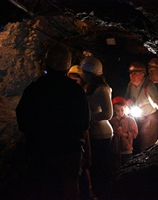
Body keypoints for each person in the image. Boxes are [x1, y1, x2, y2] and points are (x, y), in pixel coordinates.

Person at [16, 43, 89, 200]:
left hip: (41, 150)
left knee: (43, 188)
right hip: (69, 150)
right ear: (67, 64)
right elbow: (85, 122)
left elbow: (22, 118)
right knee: (70, 188)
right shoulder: (75, 90)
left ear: (47, 62)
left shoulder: (34, 89)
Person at [81, 56, 113, 198]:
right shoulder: (90, 87)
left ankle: (104, 193)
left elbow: (108, 113)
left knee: (100, 166)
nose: (83, 75)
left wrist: (91, 118)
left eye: (85, 72)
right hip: (94, 132)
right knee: (95, 166)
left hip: (102, 133)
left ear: (92, 74)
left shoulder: (102, 89)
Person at [125, 61, 158, 154]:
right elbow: (126, 98)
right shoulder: (130, 84)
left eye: (135, 73)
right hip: (138, 116)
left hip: (150, 118)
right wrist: (127, 102)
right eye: (130, 73)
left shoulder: (149, 87)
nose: (132, 76)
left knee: (146, 145)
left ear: (142, 75)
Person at [67, 64, 95, 200]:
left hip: (81, 137)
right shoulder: (65, 95)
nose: (73, 84)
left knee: (85, 167)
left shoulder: (81, 96)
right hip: (71, 141)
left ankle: (88, 194)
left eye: (76, 80)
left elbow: (86, 123)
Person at [109, 96, 138, 174]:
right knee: (116, 169)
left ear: (126, 109)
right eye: (117, 111)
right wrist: (115, 132)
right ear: (114, 110)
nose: (120, 113)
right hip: (115, 150)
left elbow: (134, 133)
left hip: (127, 150)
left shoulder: (130, 120)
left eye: (122, 110)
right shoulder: (112, 121)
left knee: (128, 169)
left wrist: (123, 134)